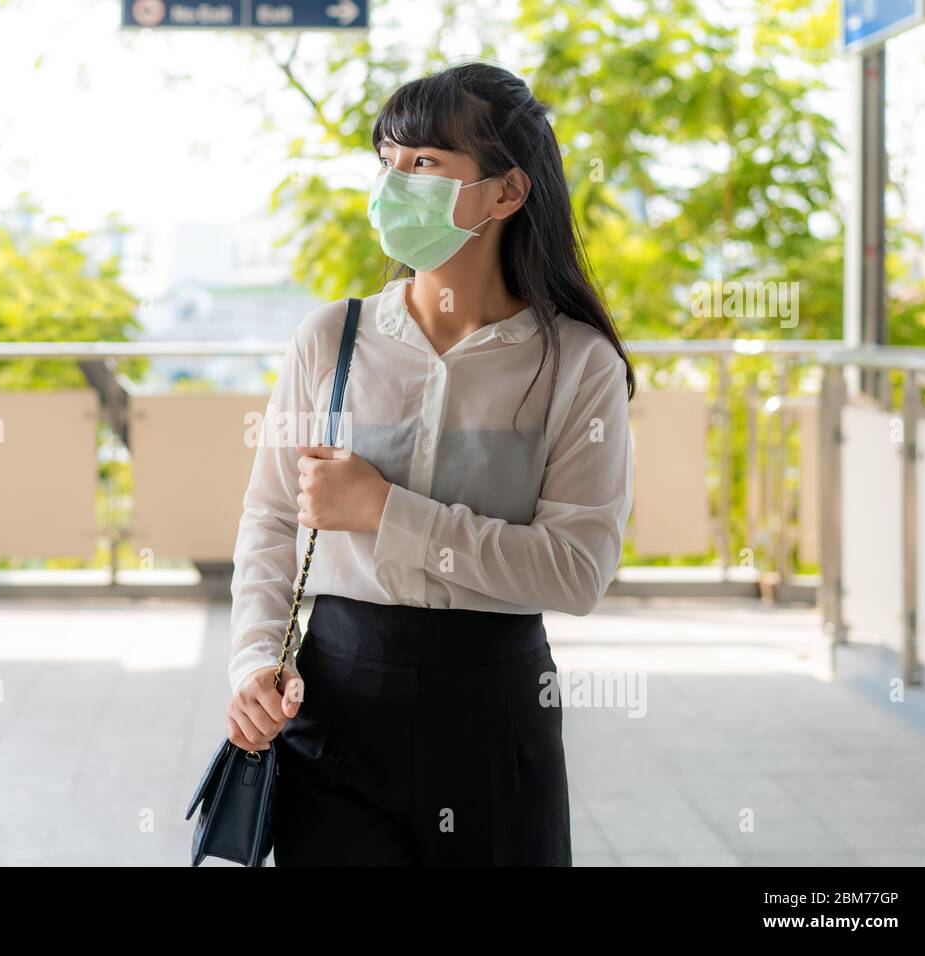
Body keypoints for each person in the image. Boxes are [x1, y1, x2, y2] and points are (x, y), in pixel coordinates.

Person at [224, 61, 635, 866]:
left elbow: (578, 570)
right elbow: (271, 519)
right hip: (335, 698)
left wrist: (385, 513)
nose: (393, 183)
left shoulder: (576, 365)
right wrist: (251, 661)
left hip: (493, 705)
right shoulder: (330, 339)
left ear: (507, 192)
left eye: (424, 165)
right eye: (387, 160)